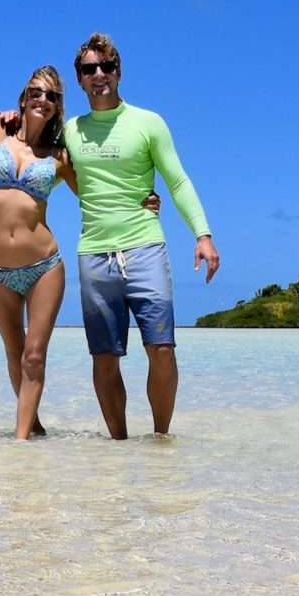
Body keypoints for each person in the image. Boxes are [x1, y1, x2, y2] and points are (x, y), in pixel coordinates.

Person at [0, 0, 157, 440]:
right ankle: (35, 428)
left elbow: (100, 191)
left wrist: (144, 198)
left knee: (34, 356)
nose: (42, 99)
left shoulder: (61, 157)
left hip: (44, 267)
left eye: (51, 95)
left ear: (57, 105)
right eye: (35, 92)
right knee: (13, 352)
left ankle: (20, 448)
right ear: (23, 98)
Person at [62, 31, 219, 438]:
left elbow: (177, 181)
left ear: (119, 72)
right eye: (89, 69)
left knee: (162, 349)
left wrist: (202, 234)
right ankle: (118, 446)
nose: (99, 74)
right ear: (79, 78)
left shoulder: (148, 122)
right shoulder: (69, 130)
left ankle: (161, 440)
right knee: (104, 357)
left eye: (106, 66)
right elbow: (31, 146)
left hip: (145, 247)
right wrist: (10, 117)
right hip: (94, 254)